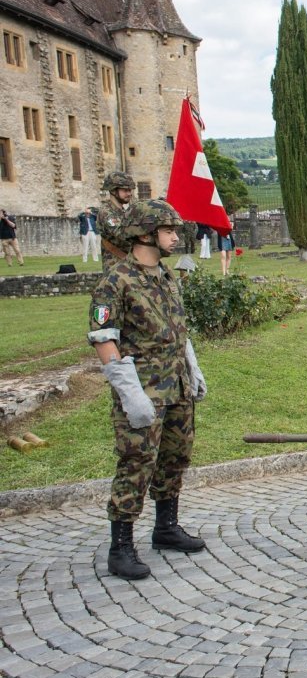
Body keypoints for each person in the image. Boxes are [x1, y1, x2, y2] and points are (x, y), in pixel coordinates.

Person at [87, 199, 208, 581]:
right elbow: (104, 337)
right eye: (169, 231)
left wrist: (192, 366)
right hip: (143, 391)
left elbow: (177, 328)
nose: (175, 237)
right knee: (136, 464)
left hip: (177, 387)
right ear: (145, 234)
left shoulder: (166, 276)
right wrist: (130, 393)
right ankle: (120, 547)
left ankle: (166, 527)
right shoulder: (115, 280)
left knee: (175, 458)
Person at [99, 171, 136, 274]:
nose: (129, 193)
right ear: (113, 191)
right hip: (115, 268)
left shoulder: (123, 211)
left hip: (128, 265)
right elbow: (122, 234)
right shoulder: (106, 212)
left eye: (130, 190)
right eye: (125, 190)